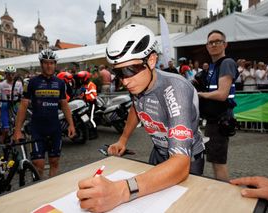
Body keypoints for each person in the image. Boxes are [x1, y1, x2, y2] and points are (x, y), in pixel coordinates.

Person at [77, 24, 204, 213]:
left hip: (187, 160)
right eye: (118, 73)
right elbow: (136, 109)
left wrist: (120, 191)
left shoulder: (175, 89)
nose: (124, 80)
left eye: (130, 70)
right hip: (159, 152)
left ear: (152, 60)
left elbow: (180, 163)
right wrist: (123, 139)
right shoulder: (139, 84)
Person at [13, 49, 75, 178]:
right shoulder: (31, 82)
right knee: (38, 164)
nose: (49, 65)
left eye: (51, 63)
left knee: (54, 162)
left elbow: (64, 104)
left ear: (55, 64)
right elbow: (23, 106)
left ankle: (52, 189)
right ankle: (39, 190)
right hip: (37, 128)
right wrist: (17, 130)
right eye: (46, 63)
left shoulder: (60, 83)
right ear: (41, 64)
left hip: (54, 127)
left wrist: (71, 125)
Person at [198, 30, 238, 181]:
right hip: (213, 119)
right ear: (207, 46)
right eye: (210, 42)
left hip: (221, 119)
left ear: (225, 44)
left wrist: (200, 94)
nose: (213, 45)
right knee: (215, 161)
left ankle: (225, 195)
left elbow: (222, 94)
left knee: (219, 163)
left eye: (217, 41)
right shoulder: (213, 66)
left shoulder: (226, 63)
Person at [0, 66, 23, 144]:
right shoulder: (0, 85)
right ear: (6, 74)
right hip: (5, 104)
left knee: (20, 121)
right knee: (6, 128)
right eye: (9, 74)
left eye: (13, 74)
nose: (11, 76)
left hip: (15, 103)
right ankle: (3, 136)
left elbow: (22, 95)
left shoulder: (19, 84)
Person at [77, 70, 98, 139]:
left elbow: (93, 96)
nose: (80, 80)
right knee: (87, 118)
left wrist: (85, 93)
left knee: (91, 119)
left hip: (92, 103)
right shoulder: (84, 85)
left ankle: (95, 133)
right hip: (87, 104)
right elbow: (83, 94)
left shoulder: (91, 85)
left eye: (81, 78)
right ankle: (90, 132)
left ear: (86, 78)